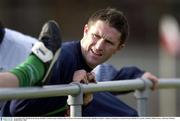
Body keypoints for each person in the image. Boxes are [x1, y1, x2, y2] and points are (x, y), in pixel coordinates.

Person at [0, 8, 158, 116]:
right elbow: (17, 109)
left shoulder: (89, 66)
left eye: (109, 42)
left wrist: (139, 75)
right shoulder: (65, 58)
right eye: (96, 36)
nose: (99, 46)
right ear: (86, 31)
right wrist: (70, 94)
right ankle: (33, 68)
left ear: (119, 48)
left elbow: (110, 75)